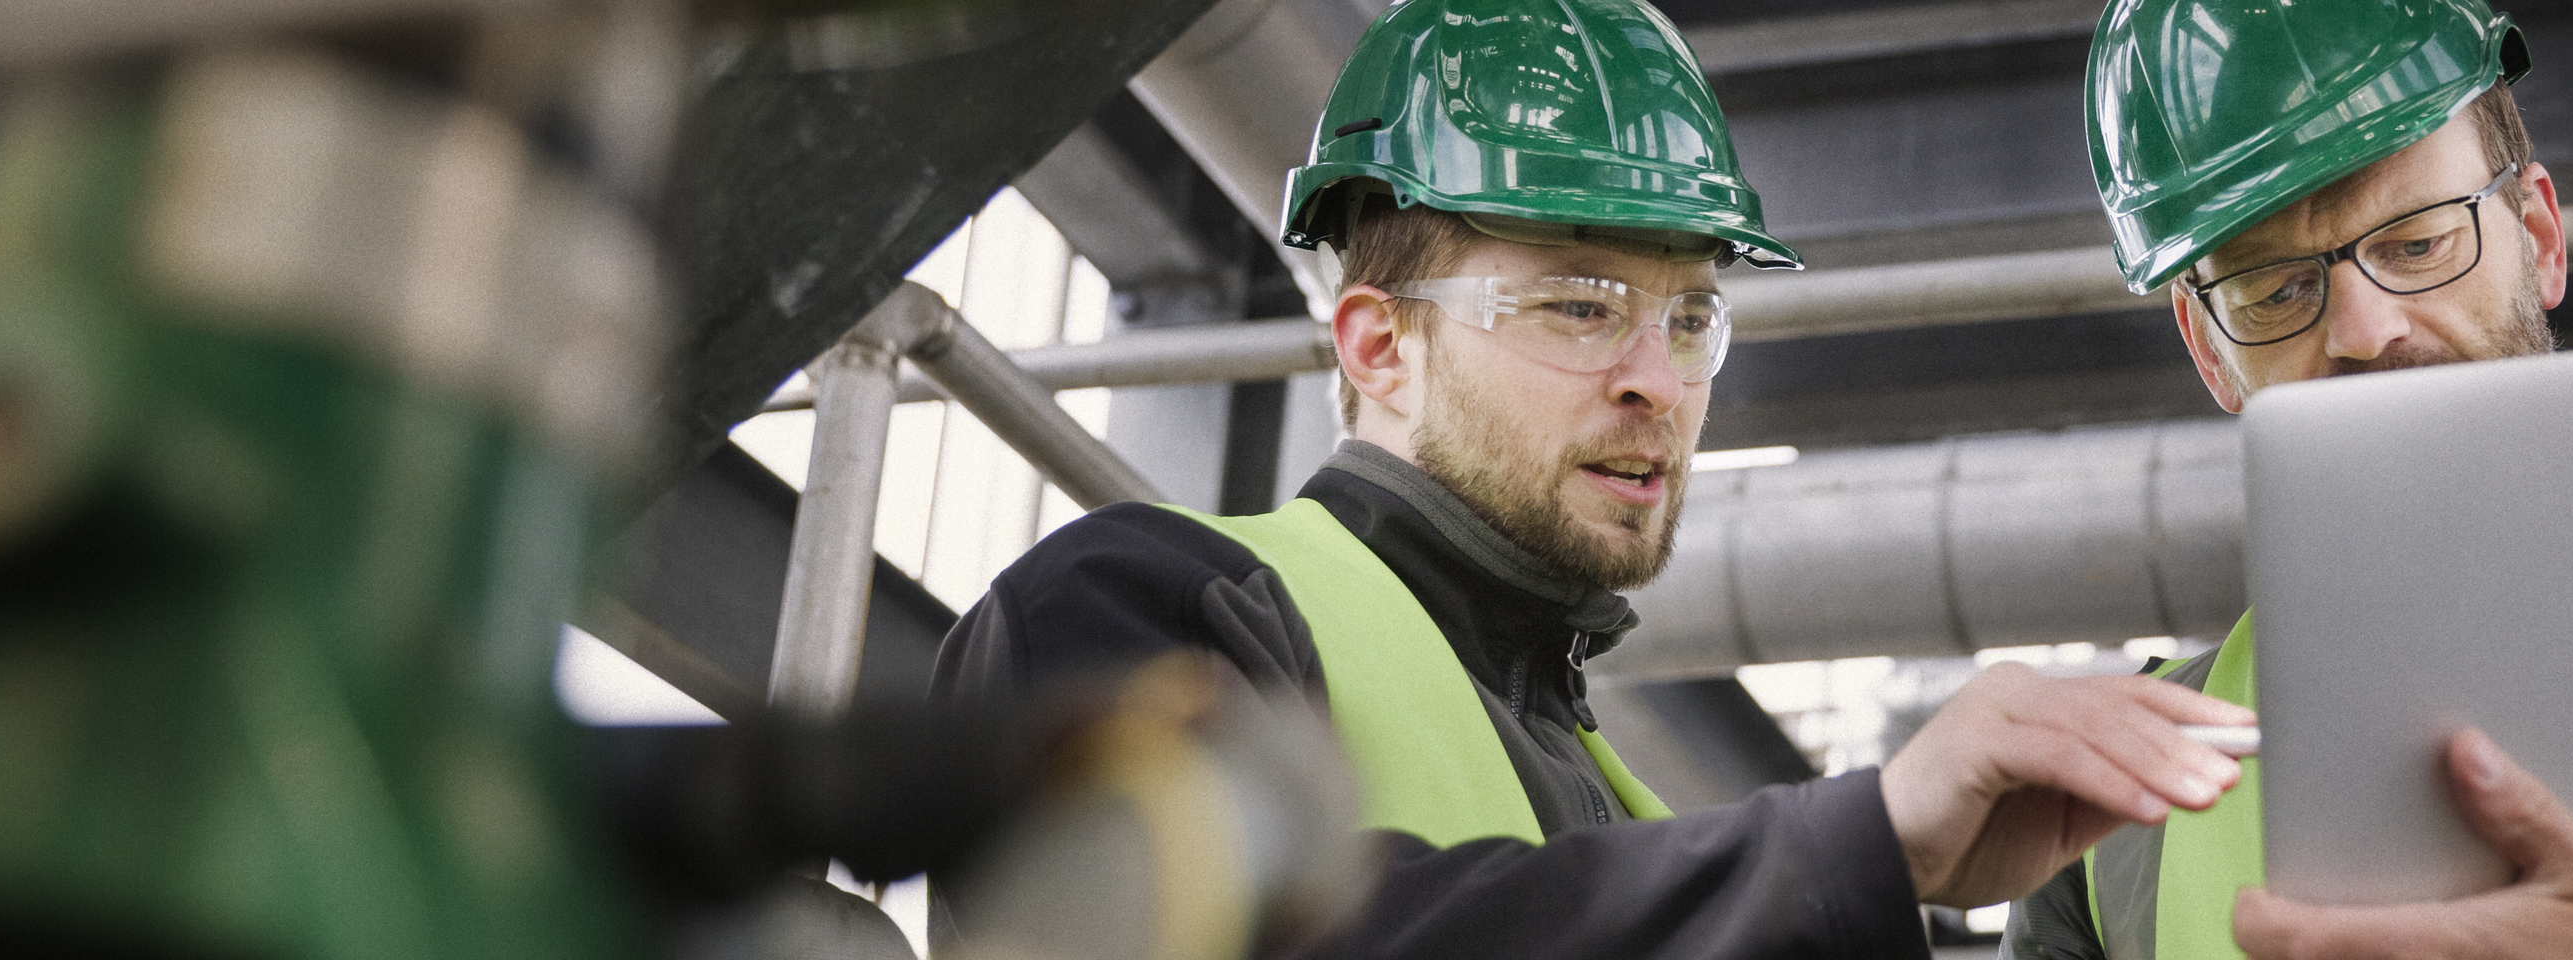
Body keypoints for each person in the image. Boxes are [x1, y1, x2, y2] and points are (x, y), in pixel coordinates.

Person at [931, 0, 2253, 956]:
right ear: (1379, 344)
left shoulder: (1619, 802)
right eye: (1578, 306)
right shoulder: (1143, 603)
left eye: (1689, 320)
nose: (1658, 382)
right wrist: (1853, 848)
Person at [1999, 1, 2573, 958]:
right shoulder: (2113, 819)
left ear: (2538, 238)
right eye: (2276, 290)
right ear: (2210, 350)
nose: (2366, 332)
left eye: (2418, 243)